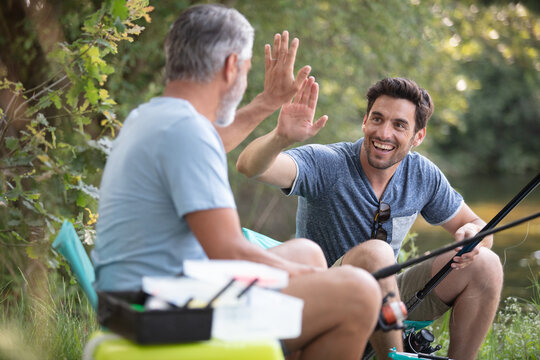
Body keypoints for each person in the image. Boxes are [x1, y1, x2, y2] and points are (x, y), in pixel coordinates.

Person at [91, 4, 382, 360]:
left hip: (134, 299)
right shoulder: (186, 132)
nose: (244, 79)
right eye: (245, 69)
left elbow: (210, 144)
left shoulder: (154, 117)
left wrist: (268, 101)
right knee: (358, 293)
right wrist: (302, 275)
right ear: (231, 67)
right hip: (161, 311)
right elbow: (227, 249)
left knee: (308, 249)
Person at [236, 77, 504, 359]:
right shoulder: (328, 162)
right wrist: (281, 138)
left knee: (487, 264)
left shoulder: (422, 174)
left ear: (418, 137)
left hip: (388, 299)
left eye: (399, 125)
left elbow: (476, 225)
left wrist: (474, 237)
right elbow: (250, 167)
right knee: (377, 253)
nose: (384, 133)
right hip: (326, 297)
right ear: (365, 121)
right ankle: (392, 357)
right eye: (377, 119)